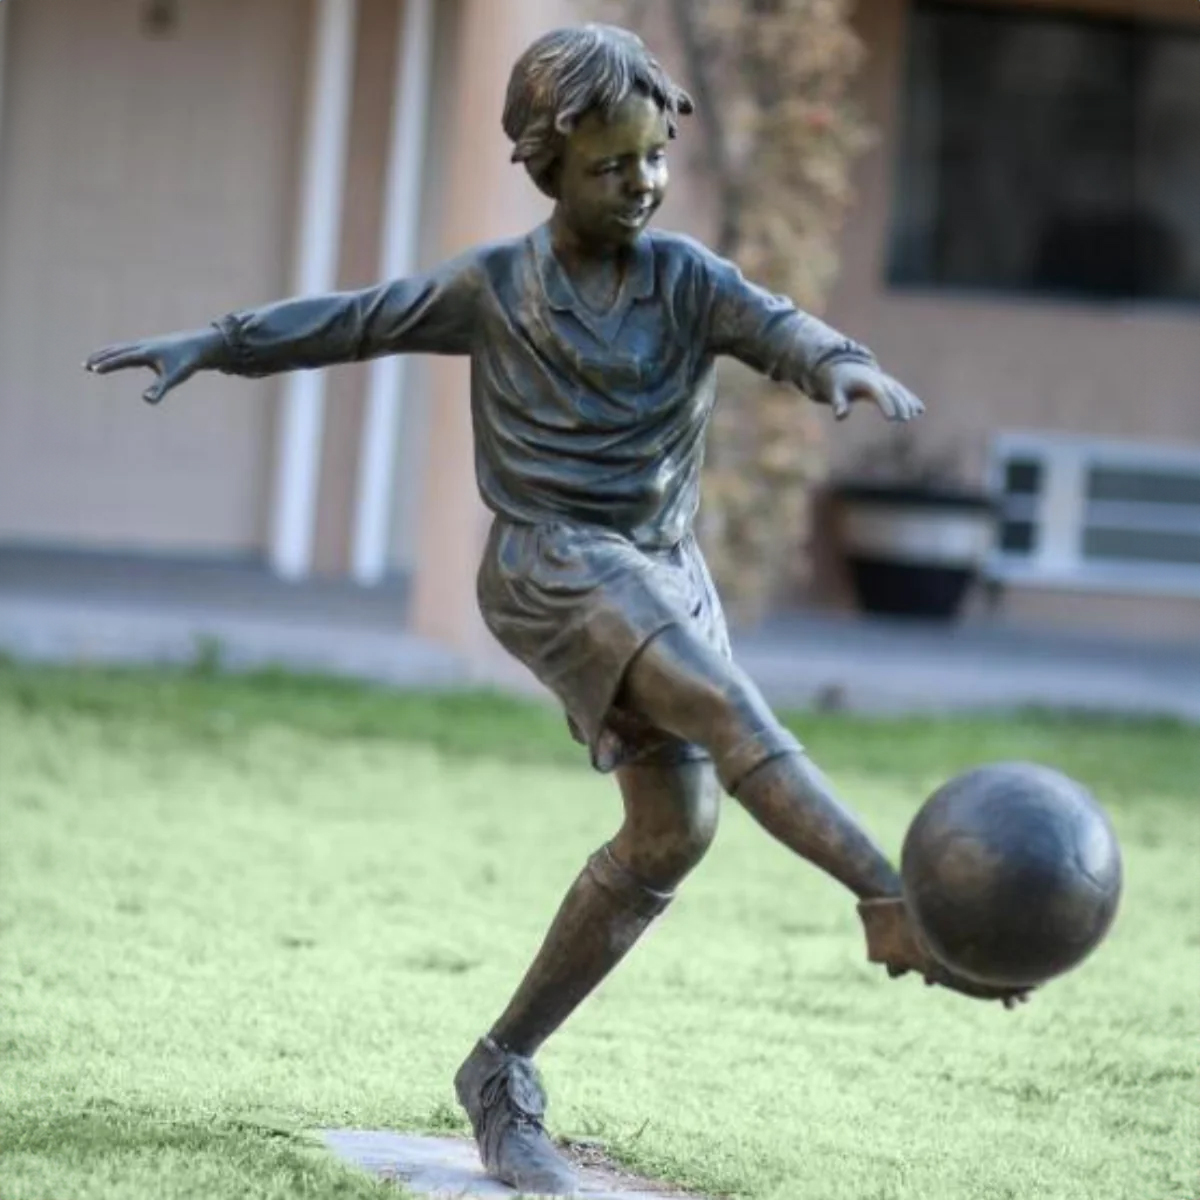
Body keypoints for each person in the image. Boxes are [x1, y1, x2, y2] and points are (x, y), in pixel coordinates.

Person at [86, 24, 1029, 1197]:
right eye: (609, 166)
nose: (639, 184)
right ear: (544, 163)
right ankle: (890, 899)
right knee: (728, 707)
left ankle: (500, 1070)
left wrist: (836, 361)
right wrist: (214, 344)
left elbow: (777, 324)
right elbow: (357, 318)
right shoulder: (494, 289)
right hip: (550, 565)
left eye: (652, 160)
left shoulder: (685, 278)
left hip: (660, 564)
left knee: (675, 830)